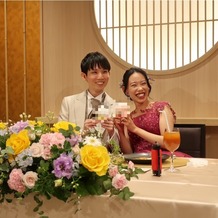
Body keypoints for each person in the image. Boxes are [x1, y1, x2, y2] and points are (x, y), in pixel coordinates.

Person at [114, 67, 190, 157]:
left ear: (148, 86)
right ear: (126, 90)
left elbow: (168, 143)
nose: (140, 88)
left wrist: (135, 129)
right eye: (134, 85)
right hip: (140, 162)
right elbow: (128, 153)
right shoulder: (129, 117)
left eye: (143, 83)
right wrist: (121, 131)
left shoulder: (161, 108)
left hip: (163, 159)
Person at [58, 51, 119, 144]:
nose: (100, 77)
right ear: (84, 76)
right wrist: (83, 131)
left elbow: (122, 148)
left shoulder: (117, 107)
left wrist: (111, 133)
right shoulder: (68, 102)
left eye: (104, 72)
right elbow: (59, 138)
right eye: (94, 72)